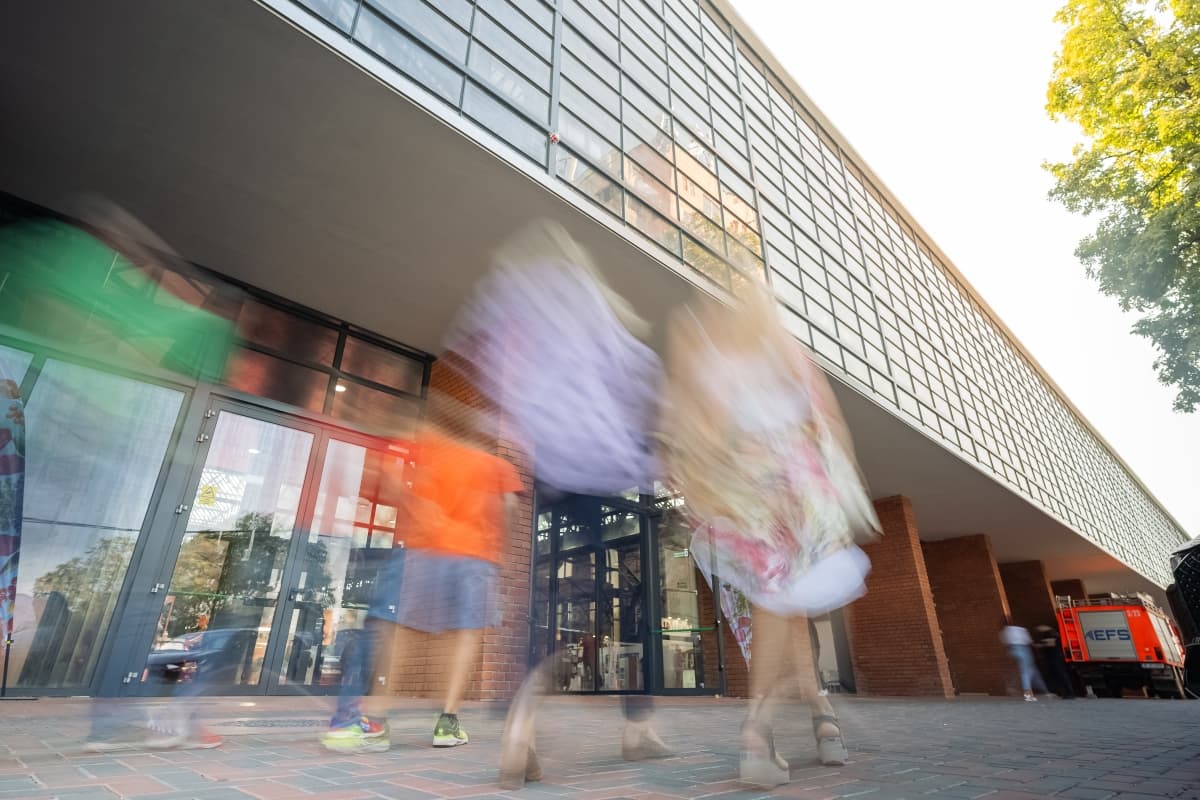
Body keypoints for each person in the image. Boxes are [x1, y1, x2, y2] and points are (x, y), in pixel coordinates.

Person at [658, 281, 878, 788]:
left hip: (741, 507)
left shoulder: (701, 348)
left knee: (776, 613)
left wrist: (704, 490)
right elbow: (827, 429)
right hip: (793, 499)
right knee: (785, 613)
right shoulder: (786, 354)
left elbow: (691, 435)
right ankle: (808, 721)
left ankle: (784, 726)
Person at [321, 397, 523, 752]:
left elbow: (390, 475)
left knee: (397, 632)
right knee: (465, 637)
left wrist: (417, 507)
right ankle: (447, 722)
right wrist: (500, 553)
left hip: (424, 550)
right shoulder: (499, 466)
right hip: (475, 556)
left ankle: (376, 721)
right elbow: (509, 508)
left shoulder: (433, 449)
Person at [1001, 619, 1048, 701]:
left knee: (1024, 670)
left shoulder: (1004, 631)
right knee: (1027, 672)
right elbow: (1028, 641)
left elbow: (1005, 643)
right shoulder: (1021, 629)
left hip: (1012, 650)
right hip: (1023, 649)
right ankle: (1029, 695)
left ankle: (1042, 690)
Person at [1033, 623, 1075, 698]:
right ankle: (1064, 693)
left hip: (1056, 657)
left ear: (1043, 626)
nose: (1038, 630)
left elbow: (1051, 644)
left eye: (1038, 628)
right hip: (1055, 657)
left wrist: (1040, 646)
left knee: (1061, 674)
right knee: (1058, 675)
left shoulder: (1050, 633)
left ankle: (1069, 693)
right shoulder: (1052, 632)